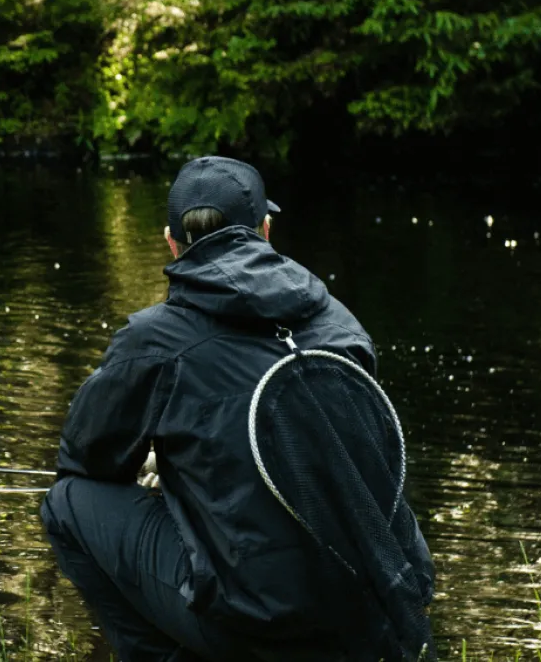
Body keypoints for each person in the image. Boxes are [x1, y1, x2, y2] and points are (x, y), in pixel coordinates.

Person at [40, 157, 435, 662]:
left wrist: (162, 462)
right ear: (266, 231)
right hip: (376, 609)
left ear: (171, 243)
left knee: (67, 502)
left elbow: (87, 459)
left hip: (260, 624)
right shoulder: (341, 322)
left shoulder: (156, 338)